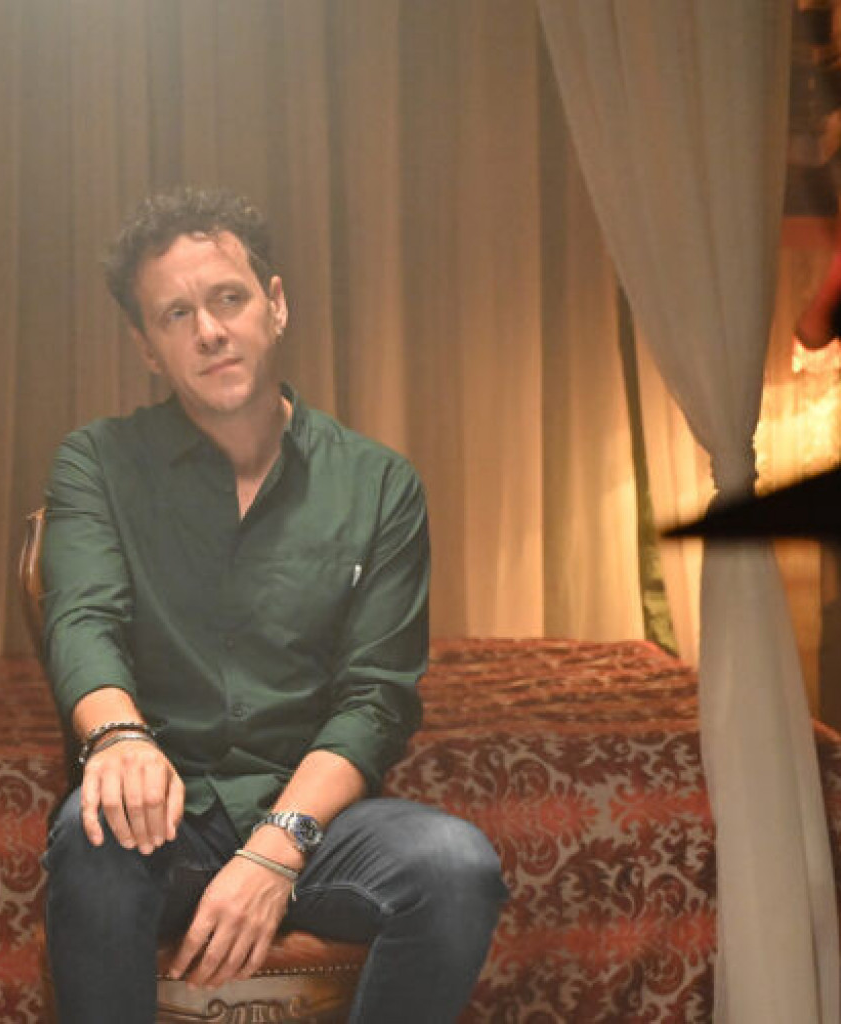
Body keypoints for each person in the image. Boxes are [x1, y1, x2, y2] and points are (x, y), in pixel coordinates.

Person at [39, 187, 507, 1024]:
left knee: (455, 865)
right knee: (91, 831)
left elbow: (376, 699)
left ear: (275, 304)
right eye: (176, 314)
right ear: (147, 348)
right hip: (163, 820)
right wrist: (118, 738)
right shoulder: (97, 463)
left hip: (316, 824)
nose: (209, 330)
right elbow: (83, 620)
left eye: (228, 298)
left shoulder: (379, 484)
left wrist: (276, 849)